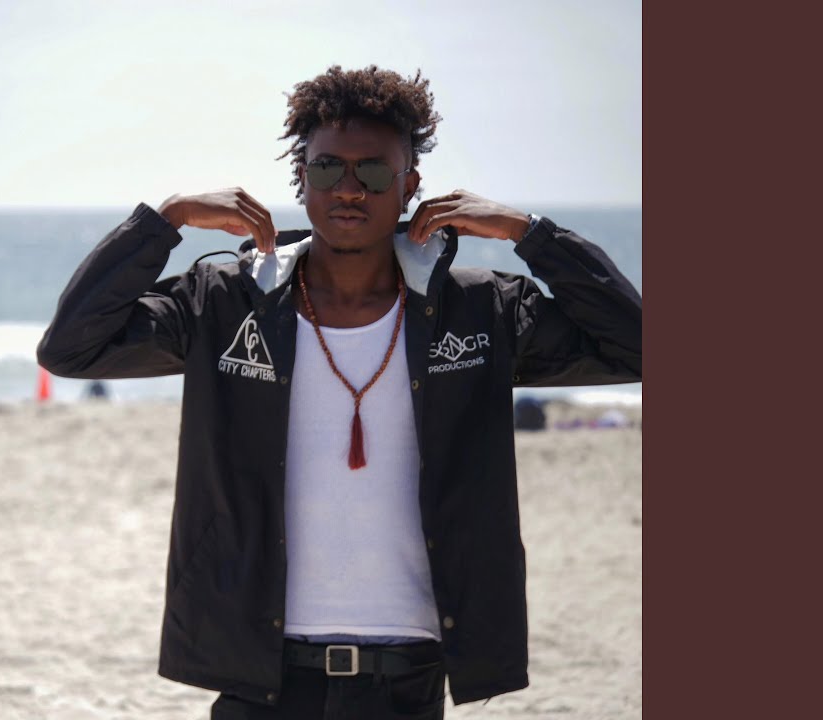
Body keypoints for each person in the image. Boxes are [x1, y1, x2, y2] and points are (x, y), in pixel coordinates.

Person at [37, 65, 641, 719]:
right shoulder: (226, 303)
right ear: (301, 176)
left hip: (405, 681)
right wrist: (165, 220)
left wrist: (531, 233)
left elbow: (634, 346)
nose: (349, 189)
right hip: (260, 676)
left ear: (410, 185)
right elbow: (72, 347)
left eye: (374, 172)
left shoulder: (480, 312)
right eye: (327, 169)